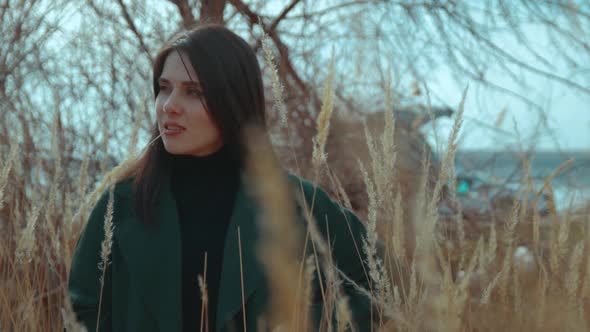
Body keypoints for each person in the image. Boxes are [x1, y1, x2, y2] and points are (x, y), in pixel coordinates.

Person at [68, 24, 374, 332]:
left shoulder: (292, 202)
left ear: (232, 102)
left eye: (193, 92)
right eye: (164, 88)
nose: (169, 106)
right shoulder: (120, 206)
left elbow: (384, 288)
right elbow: (80, 315)